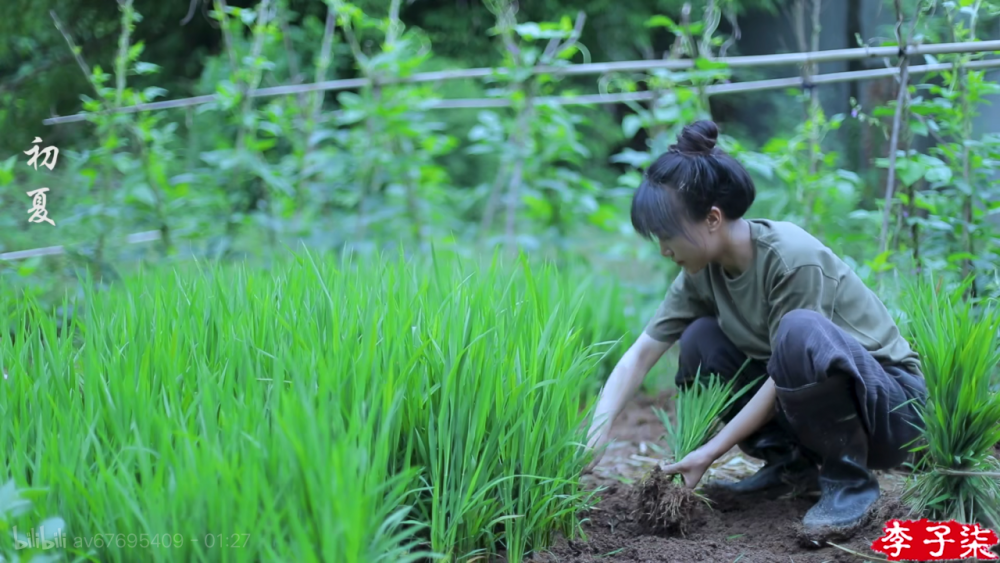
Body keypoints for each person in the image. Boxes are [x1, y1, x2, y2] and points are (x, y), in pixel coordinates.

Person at [583, 120, 927, 539]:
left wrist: (708, 453)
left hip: (892, 410)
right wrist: (596, 432)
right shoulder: (702, 273)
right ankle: (789, 469)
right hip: (820, 412)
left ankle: (849, 485)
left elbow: (785, 371)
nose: (663, 249)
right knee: (700, 339)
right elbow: (640, 355)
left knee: (798, 332)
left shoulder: (791, 258)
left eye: (668, 235)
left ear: (712, 219)